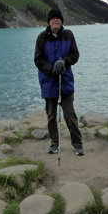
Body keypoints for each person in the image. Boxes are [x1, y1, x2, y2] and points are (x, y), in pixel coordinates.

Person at [34, 9, 85, 156]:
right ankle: (54, 143)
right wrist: (51, 69)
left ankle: (77, 144)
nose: (55, 20)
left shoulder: (68, 35)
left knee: (70, 114)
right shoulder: (42, 37)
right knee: (51, 116)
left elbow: (75, 55)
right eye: (52, 18)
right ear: (49, 22)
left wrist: (64, 60)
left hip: (65, 81)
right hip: (48, 82)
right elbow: (38, 60)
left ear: (61, 21)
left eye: (58, 18)